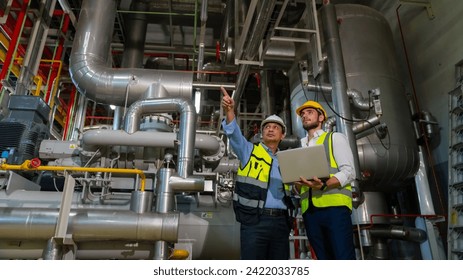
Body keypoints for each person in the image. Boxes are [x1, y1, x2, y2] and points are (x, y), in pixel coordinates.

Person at [220, 86, 294, 260]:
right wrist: (230, 111)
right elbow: (234, 134)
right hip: (255, 221)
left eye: (275, 127)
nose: (270, 129)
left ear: (282, 135)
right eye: (267, 127)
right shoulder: (249, 151)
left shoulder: (287, 159)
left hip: (281, 222)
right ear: (261, 134)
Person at [294, 100, 356, 260]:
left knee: (343, 259)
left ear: (321, 117)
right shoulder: (299, 147)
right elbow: (297, 185)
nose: (304, 116)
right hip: (309, 212)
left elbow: (349, 172)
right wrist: (295, 185)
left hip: (335, 209)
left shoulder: (334, 138)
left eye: (309, 112)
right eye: (302, 114)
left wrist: (323, 185)